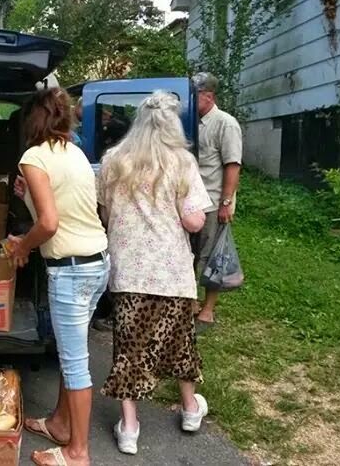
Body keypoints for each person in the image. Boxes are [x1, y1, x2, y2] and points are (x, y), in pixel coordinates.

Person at [98, 92, 213, 455]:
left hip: (129, 271)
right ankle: (191, 410)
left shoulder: (113, 160)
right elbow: (195, 221)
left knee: (129, 349)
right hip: (172, 273)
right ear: (172, 125)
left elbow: (103, 213)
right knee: (180, 343)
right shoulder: (182, 163)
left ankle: (129, 428)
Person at [9, 88, 110, 466]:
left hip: (70, 270)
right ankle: (60, 424)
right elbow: (63, 209)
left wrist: (22, 246)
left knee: (74, 362)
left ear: (32, 121)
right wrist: (27, 199)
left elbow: (49, 224)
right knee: (74, 351)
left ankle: (77, 453)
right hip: (97, 261)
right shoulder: (74, 153)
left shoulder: (33, 156)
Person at [191, 72, 243, 330]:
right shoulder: (192, 121)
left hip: (212, 202)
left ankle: (208, 309)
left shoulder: (226, 123)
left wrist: (225, 203)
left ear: (208, 96)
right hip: (192, 203)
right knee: (191, 253)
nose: (190, 100)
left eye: (195, 95)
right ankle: (190, 302)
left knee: (212, 256)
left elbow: (232, 165)